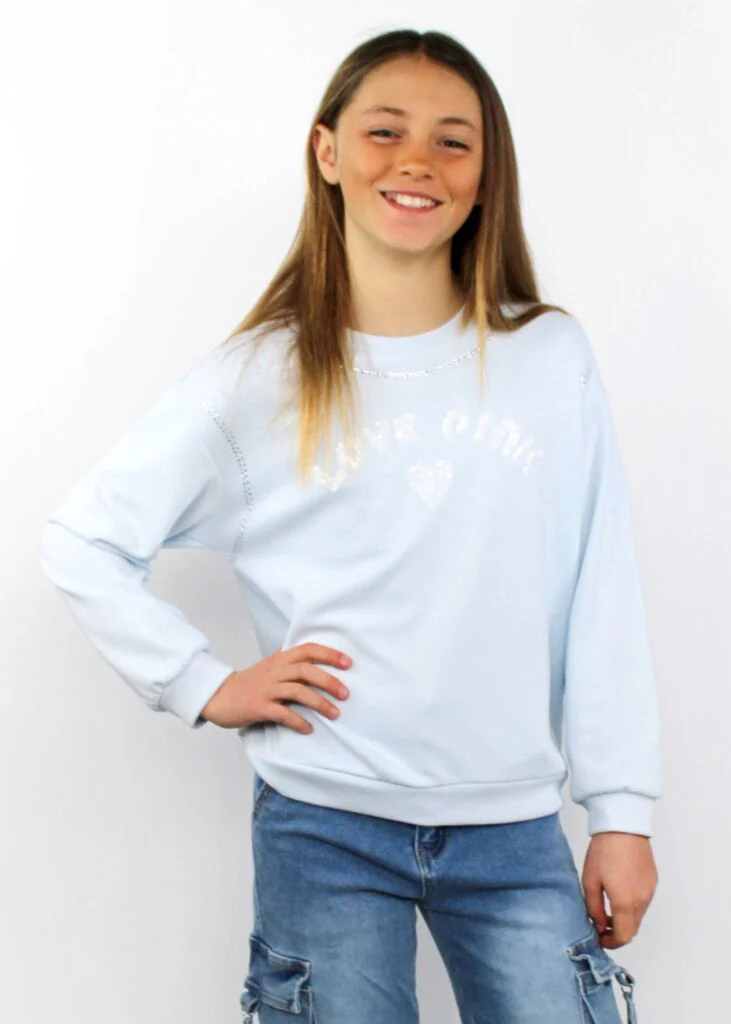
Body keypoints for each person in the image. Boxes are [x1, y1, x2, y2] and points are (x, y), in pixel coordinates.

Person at [39, 27, 661, 1024]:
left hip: (510, 824)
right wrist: (203, 682)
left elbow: (602, 587)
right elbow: (84, 540)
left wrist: (621, 812)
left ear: (485, 174)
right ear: (327, 151)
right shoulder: (262, 376)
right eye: (385, 131)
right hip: (325, 821)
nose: (417, 161)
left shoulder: (548, 358)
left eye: (453, 140)